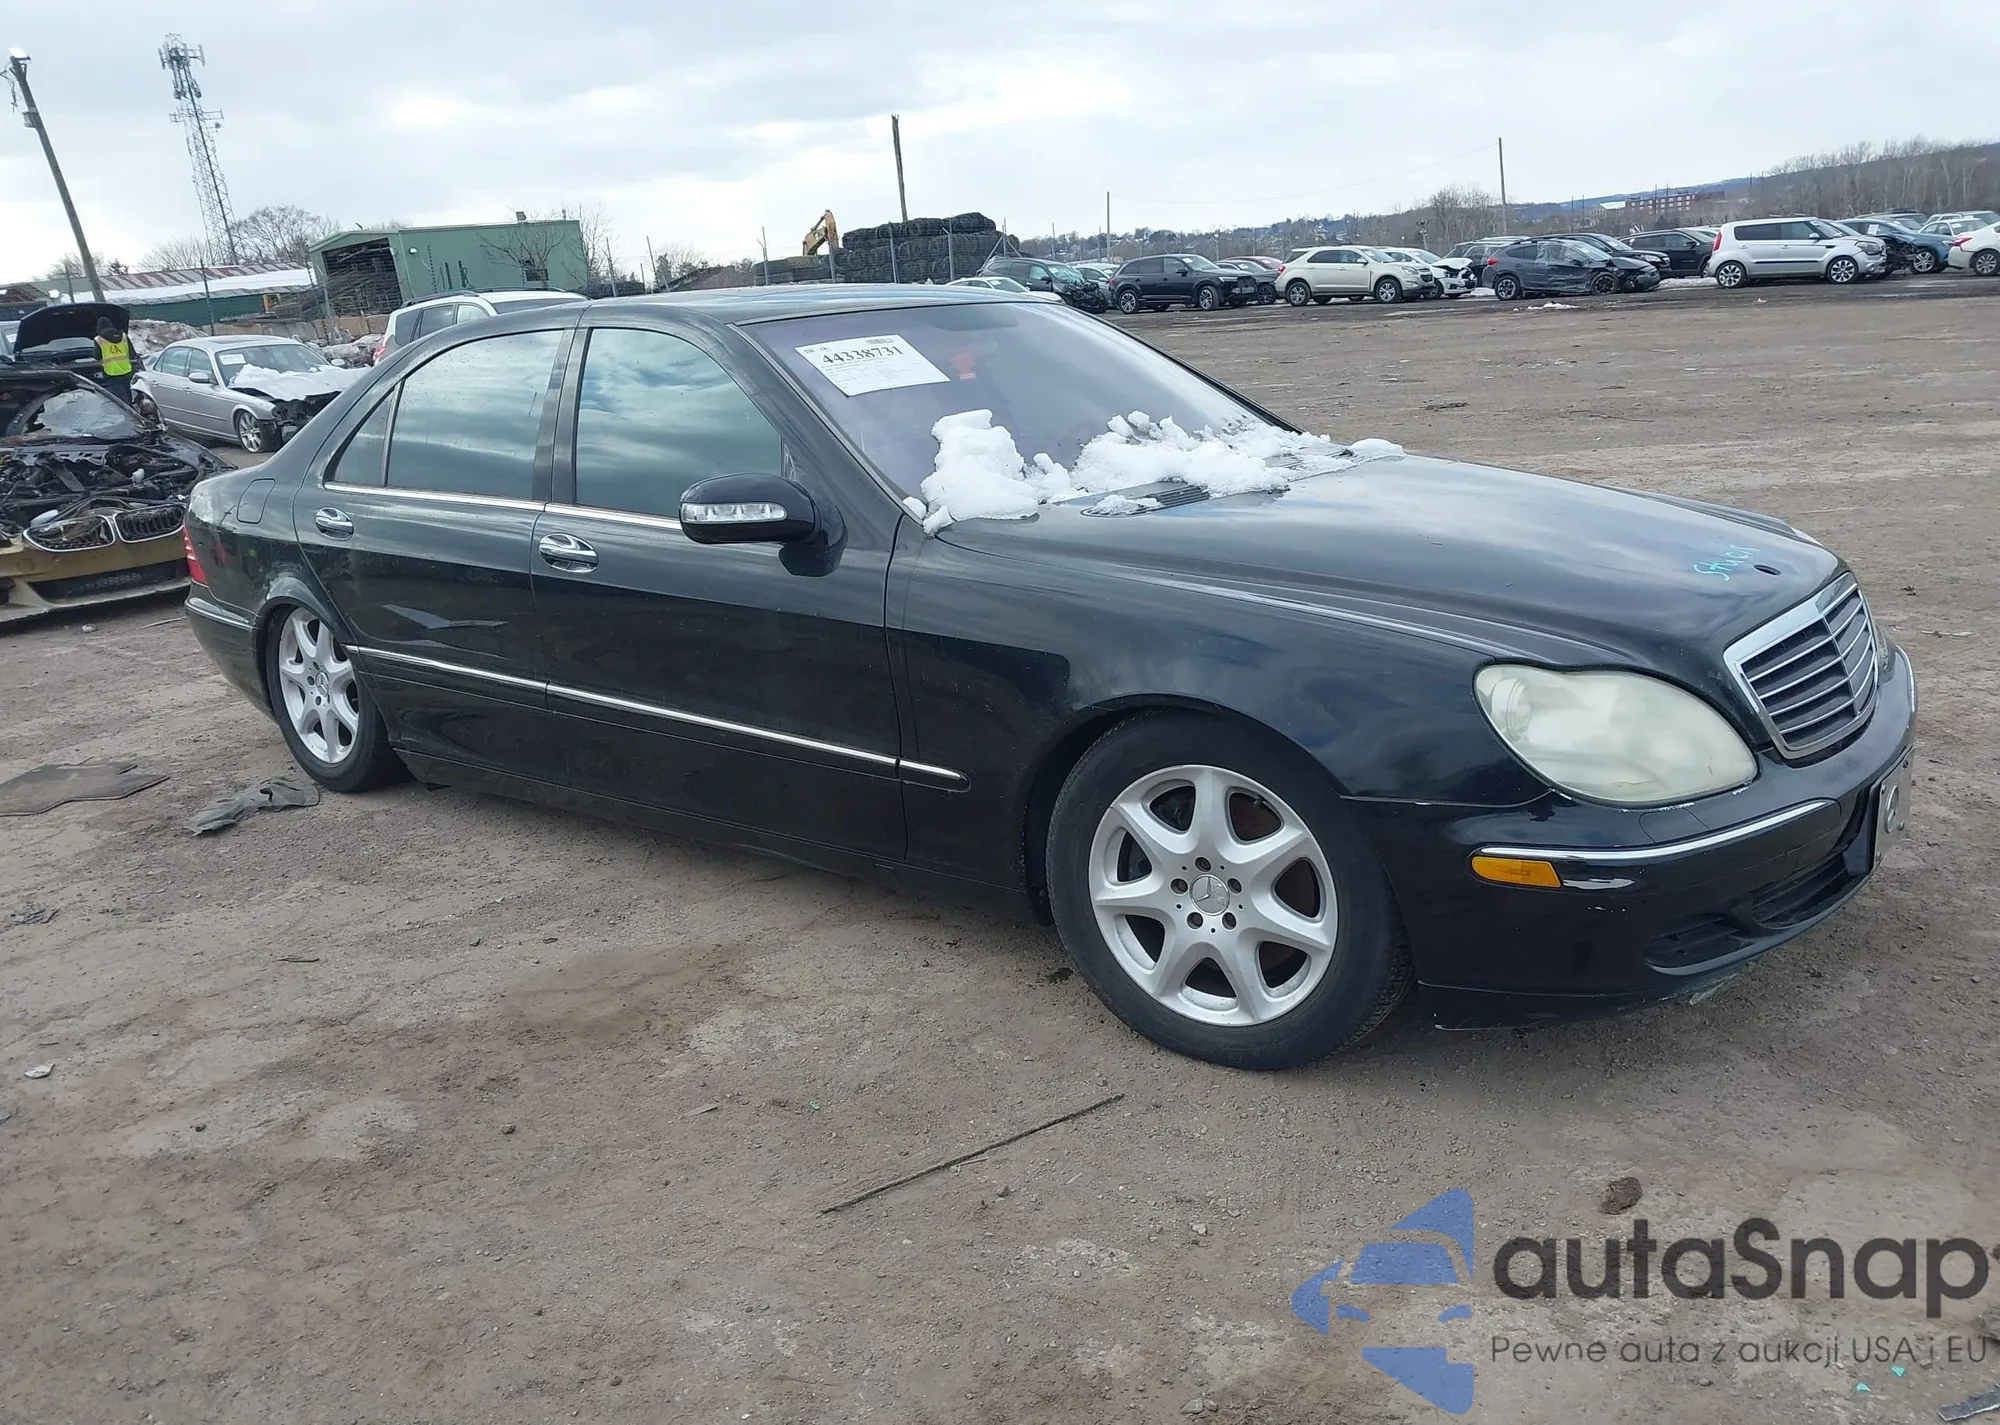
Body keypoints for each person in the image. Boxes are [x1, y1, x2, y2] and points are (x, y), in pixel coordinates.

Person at [93, 317, 134, 405]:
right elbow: (132, 354)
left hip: (112, 372)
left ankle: (126, 411)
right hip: (126, 370)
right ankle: (131, 409)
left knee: (120, 398)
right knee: (128, 394)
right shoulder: (123, 336)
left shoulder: (99, 339)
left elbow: (97, 356)